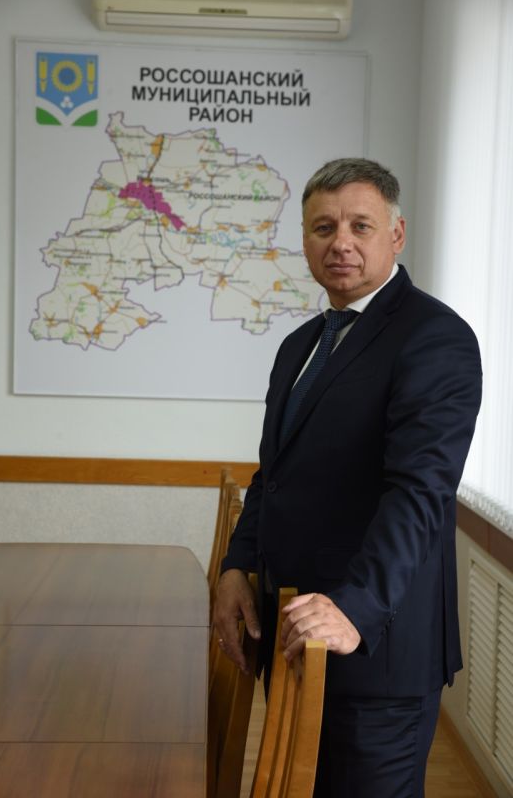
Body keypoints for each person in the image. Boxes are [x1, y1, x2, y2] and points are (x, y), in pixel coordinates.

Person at [213, 158, 482, 798]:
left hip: (374, 648)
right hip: (295, 636)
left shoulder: (435, 337)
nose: (341, 242)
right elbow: (273, 475)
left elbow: (420, 493)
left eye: (361, 225)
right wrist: (237, 565)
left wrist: (355, 609)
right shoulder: (301, 344)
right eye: (323, 227)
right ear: (305, 240)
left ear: (396, 234)